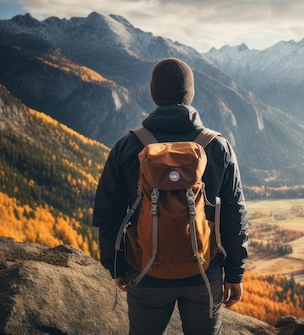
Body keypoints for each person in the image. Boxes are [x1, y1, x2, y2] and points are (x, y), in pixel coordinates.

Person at [93, 58, 248, 335]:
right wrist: (234, 273)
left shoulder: (128, 146)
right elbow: (235, 213)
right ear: (190, 94)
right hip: (204, 270)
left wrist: (116, 266)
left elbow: (109, 212)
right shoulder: (217, 147)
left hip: (146, 271)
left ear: (154, 94)